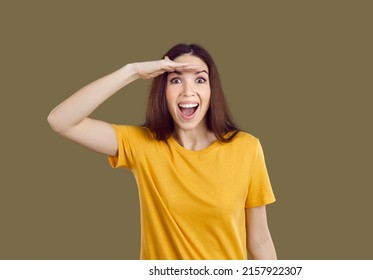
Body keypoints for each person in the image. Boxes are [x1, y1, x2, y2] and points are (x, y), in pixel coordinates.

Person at [47, 43, 276, 260]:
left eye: (199, 80)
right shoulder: (143, 145)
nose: (188, 91)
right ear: (163, 91)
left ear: (211, 90)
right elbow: (61, 121)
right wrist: (133, 71)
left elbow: (259, 241)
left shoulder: (246, 148)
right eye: (176, 80)